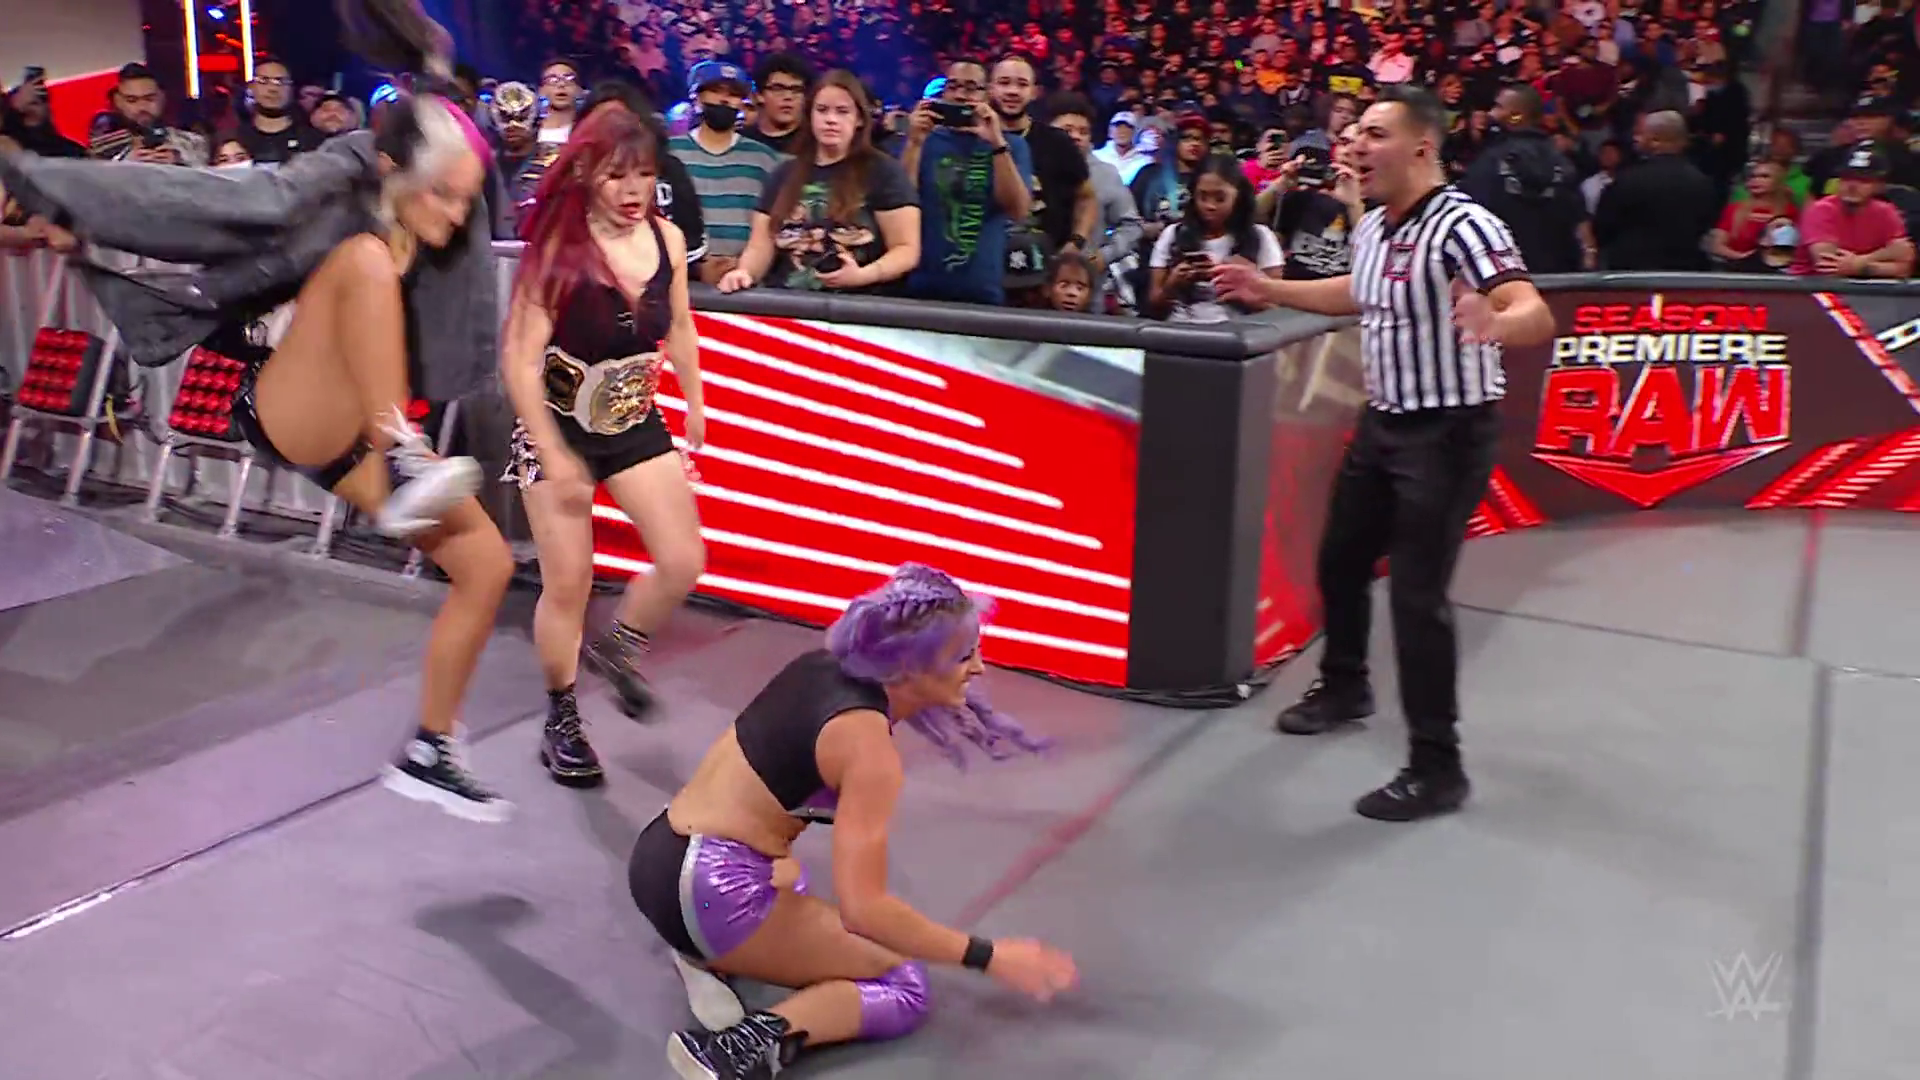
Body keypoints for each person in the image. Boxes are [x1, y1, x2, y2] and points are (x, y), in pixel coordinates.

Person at [0, 0, 516, 823]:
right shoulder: (341, 195)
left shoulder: (438, 208)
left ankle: (431, 749)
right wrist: (46, 186)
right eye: (445, 198)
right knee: (365, 263)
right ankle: (406, 448)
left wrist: (434, 63)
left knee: (486, 566)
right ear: (394, 171)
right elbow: (198, 200)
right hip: (289, 401)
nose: (457, 217)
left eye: (467, 202)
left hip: (353, 433)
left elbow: (443, 114)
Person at [1215, 85, 1556, 822]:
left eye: (1374, 134)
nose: (1354, 145)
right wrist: (1268, 287)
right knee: (1340, 560)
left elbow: (1532, 309)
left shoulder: (1465, 223)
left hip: (1448, 431)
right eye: (1355, 133)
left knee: (1416, 597)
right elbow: (1356, 292)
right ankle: (1346, 685)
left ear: (1422, 147)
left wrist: (1496, 322)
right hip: (1383, 421)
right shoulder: (1373, 225)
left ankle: (1438, 765)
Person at [627, 564, 1077, 1079]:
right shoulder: (867, 748)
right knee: (903, 983)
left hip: (659, 853)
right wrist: (991, 956)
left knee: (789, 876)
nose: (977, 668)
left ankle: (700, 952)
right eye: (962, 657)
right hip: (708, 890)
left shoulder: (820, 666)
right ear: (909, 665)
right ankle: (735, 1050)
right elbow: (866, 911)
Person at [500, 104, 707, 784]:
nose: (632, 189)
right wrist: (551, 451)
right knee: (569, 582)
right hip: (556, 421)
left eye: (643, 174)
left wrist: (696, 400)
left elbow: (679, 325)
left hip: (631, 417)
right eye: (617, 175)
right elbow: (518, 358)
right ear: (587, 172)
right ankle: (561, 717)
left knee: (683, 559)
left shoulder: (667, 239)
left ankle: (618, 648)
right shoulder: (560, 248)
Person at [717, 69, 921, 295]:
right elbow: (760, 245)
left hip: (861, 305)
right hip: (788, 302)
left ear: (859, 119)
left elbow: (906, 249)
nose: (831, 119)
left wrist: (864, 275)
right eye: (822, 110)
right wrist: (745, 272)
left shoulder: (884, 171)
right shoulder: (785, 173)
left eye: (842, 111)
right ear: (810, 115)